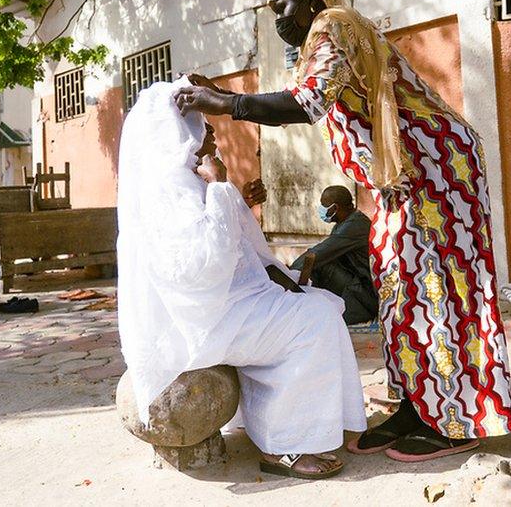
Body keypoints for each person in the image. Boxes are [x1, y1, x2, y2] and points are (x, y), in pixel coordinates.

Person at [175, 0, 511, 462]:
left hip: (439, 171)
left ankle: (457, 418)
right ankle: (418, 405)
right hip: (405, 179)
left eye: (285, 6)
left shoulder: (334, 24)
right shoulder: (322, 38)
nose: (279, 19)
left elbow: (308, 102)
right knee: (400, 287)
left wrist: (225, 102)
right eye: (271, 11)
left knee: (437, 288)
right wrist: (225, 98)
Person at [118, 79, 366, 480]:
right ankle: (283, 447)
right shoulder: (172, 187)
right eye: (201, 125)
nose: (211, 131)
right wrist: (219, 188)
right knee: (313, 322)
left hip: (223, 304)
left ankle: (302, 423)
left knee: (318, 304)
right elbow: (202, 265)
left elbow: (240, 248)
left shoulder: (187, 177)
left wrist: (281, 276)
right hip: (201, 320)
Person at [290, 185, 377, 325]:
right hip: (355, 283)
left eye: (324, 206)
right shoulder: (346, 223)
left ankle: (311, 311)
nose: (322, 209)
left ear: (335, 207)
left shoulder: (354, 225)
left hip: (364, 293)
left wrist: (290, 273)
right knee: (316, 264)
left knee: (318, 264)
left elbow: (320, 253)